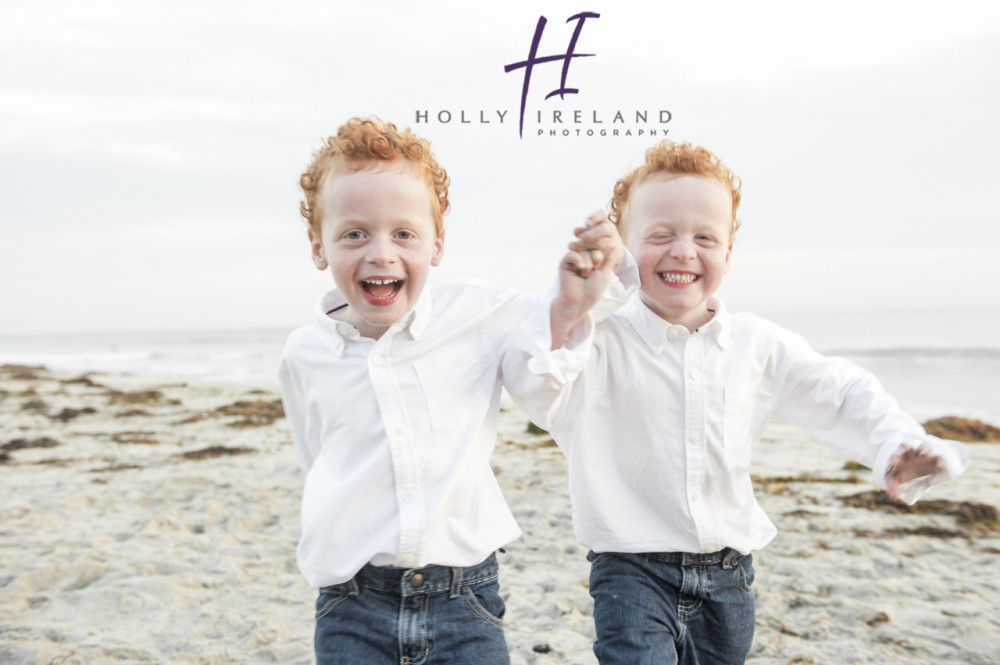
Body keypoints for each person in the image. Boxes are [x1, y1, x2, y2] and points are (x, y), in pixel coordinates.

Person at [503, 139, 969, 665]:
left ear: (729, 251)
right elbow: (534, 379)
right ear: (624, 252)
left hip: (729, 575)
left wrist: (898, 442)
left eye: (705, 236)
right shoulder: (596, 340)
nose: (683, 251)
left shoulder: (756, 344)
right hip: (630, 572)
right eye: (660, 235)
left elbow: (841, 391)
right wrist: (589, 297)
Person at [278, 117, 625, 665]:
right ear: (319, 246)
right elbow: (318, 457)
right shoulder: (306, 353)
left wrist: (574, 301)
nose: (381, 253)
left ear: (436, 245)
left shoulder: (477, 315)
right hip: (351, 603)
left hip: (464, 598)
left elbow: (543, 378)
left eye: (404, 234)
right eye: (353, 233)